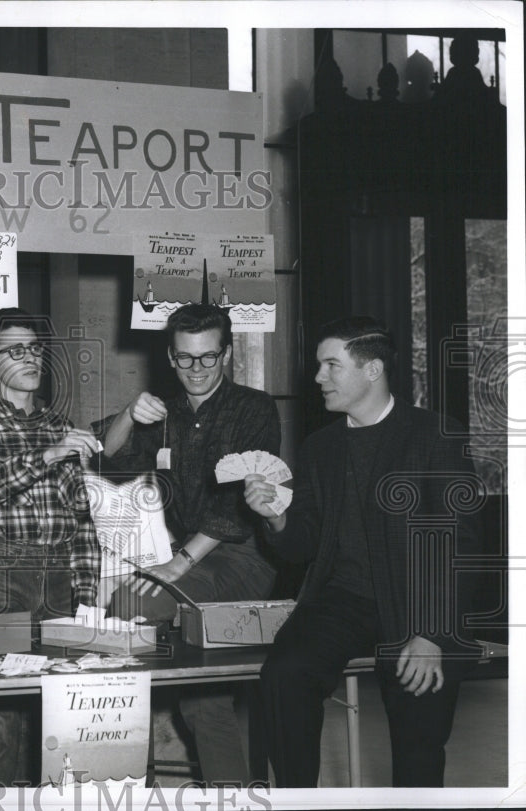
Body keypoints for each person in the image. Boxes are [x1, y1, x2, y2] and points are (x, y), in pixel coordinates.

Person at [244, 316, 482, 787]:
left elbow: (463, 546)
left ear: (372, 370)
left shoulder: (435, 436)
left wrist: (432, 635)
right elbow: (303, 544)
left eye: (331, 365)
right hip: (343, 601)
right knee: (284, 676)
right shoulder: (320, 448)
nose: (317, 378)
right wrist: (276, 517)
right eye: (319, 366)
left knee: (418, 745)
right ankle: (297, 798)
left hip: (419, 606)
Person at [95, 303, 281, 787]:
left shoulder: (254, 408)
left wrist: (175, 566)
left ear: (227, 353)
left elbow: (234, 513)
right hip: (192, 564)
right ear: (170, 357)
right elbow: (109, 463)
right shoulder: (163, 411)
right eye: (184, 359)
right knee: (203, 701)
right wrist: (128, 415)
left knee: (132, 602)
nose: (196, 370)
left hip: (241, 557)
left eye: (207, 357)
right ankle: (143, 784)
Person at [0, 307, 102, 785]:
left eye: (34, 349)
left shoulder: (60, 424)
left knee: (59, 720)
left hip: (58, 577)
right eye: (15, 351)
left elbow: (81, 519)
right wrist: (51, 453)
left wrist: (89, 596)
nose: (30, 358)